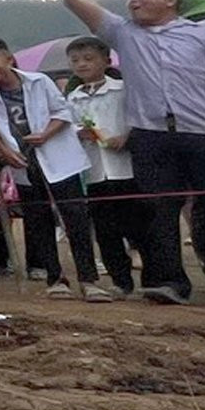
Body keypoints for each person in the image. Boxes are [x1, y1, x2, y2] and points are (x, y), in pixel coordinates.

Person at [39, 0, 205, 303]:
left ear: (170, 0)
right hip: (150, 134)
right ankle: (169, 282)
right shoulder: (124, 33)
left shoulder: (203, 35)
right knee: (157, 208)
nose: (133, 0)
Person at [0, 38, 111, 302]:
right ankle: (55, 278)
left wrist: (45, 134)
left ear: (9, 59)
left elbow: (63, 112)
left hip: (59, 157)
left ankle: (89, 279)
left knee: (75, 218)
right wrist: (3, 150)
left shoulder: (39, 82)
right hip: (23, 161)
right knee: (38, 221)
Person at [64, 36, 150, 296]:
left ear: (106, 61)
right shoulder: (73, 97)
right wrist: (79, 133)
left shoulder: (123, 90)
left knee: (139, 227)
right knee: (106, 231)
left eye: (89, 59)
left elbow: (140, 119)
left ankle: (153, 279)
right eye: (76, 61)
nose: (82, 65)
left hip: (126, 169)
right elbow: (68, 126)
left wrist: (126, 137)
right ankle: (120, 280)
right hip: (94, 173)